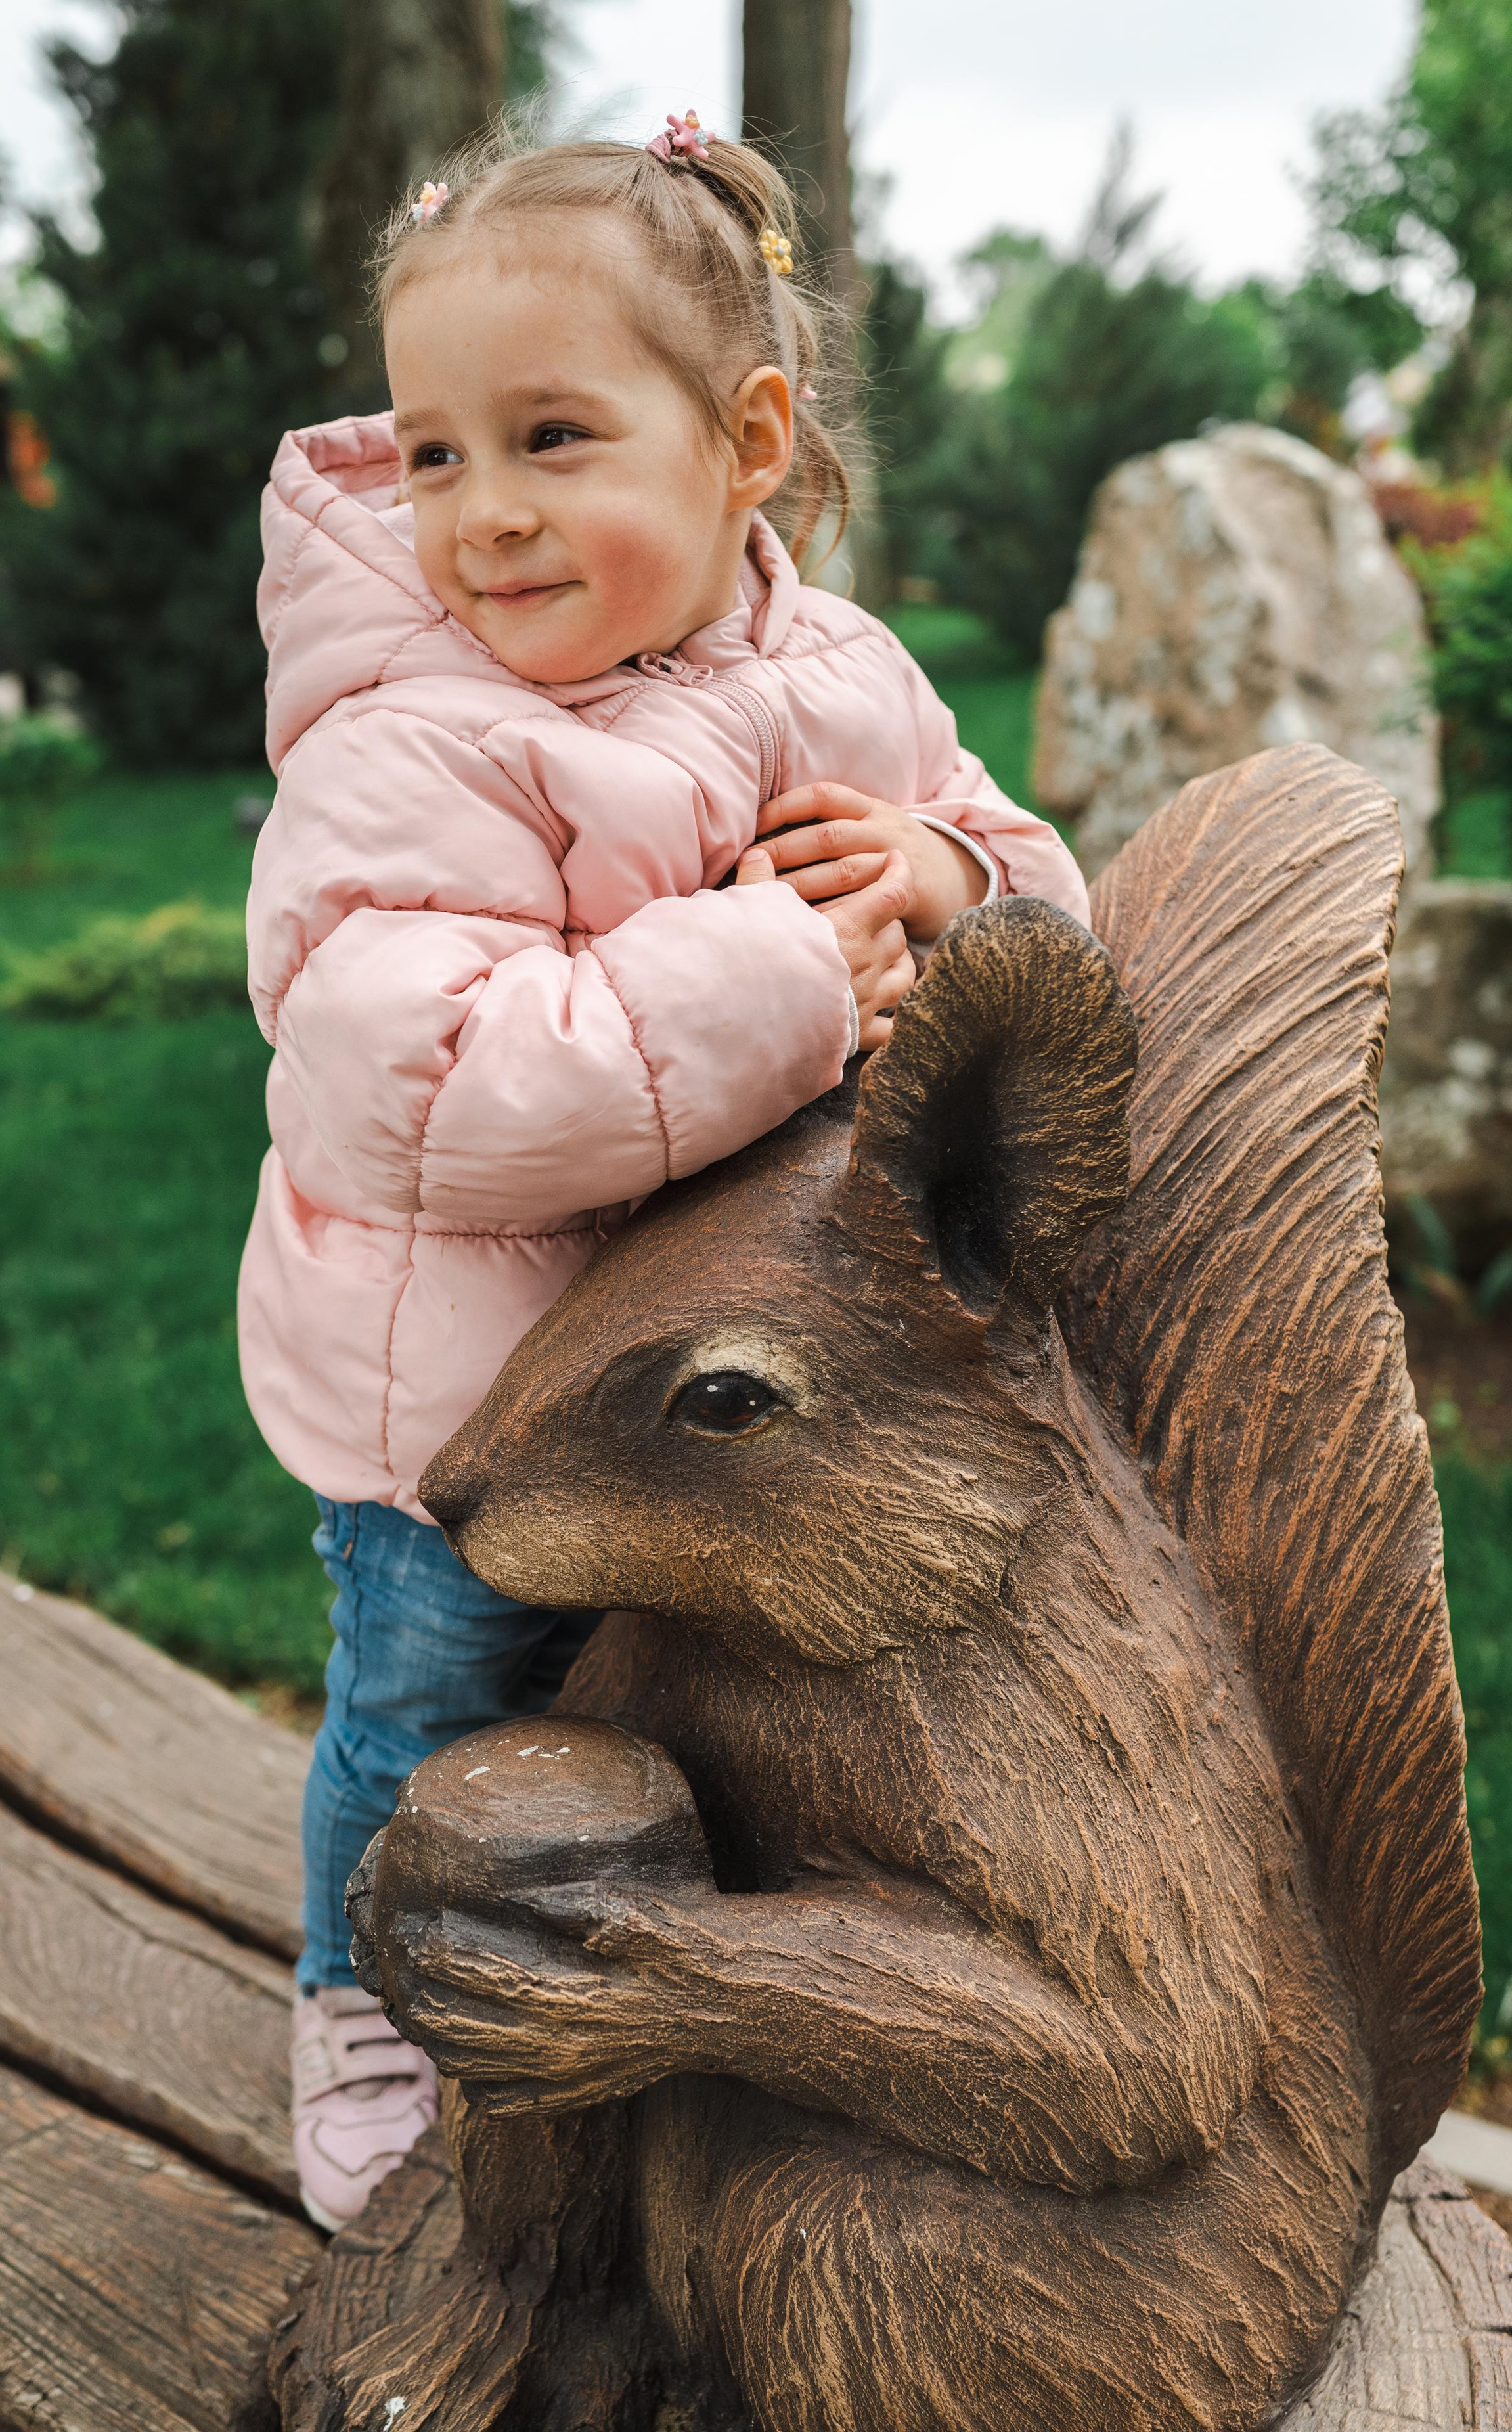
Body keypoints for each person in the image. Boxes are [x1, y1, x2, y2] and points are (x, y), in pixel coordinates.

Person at [240, 112, 1090, 2232]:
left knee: (713, 1726)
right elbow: (433, 1090)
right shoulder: (409, 746)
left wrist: (950, 866)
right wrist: (794, 962)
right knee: (438, 1703)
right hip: (470, 1402)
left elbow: (1046, 919)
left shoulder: (848, 677)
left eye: (550, 438)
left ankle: (681, 2017)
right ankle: (362, 1983)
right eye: (434, 455)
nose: (485, 517)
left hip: (743, 1403)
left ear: (751, 444)